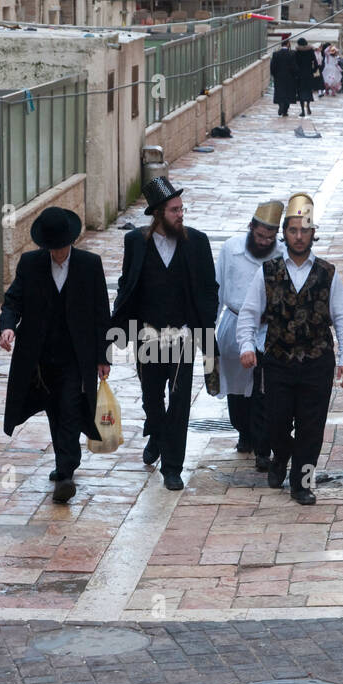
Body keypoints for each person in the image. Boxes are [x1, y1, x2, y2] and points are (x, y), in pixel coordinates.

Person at [236, 193, 343, 505]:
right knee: (275, 420)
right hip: (277, 360)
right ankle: (281, 455)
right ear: (284, 233)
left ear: (313, 233)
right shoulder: (268, 272)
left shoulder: (328, 273)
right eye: (292, 230)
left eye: (304, 230)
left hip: (317, 361)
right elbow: (249, 312)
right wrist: (247, 345)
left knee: (311, 426)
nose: (299, 236)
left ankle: (302, 484)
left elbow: (342, 317)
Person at [111, 177, 218, 490]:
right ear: (158, 213)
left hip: (182, 336)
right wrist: (117, 328)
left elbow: (210, 288)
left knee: (180, 398)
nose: (180, 214)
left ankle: (173, 467)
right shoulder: (135, 242)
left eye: (182, 209)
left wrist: (205, 324)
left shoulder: (197, 242)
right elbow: (126, 283)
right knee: (151, 397)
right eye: (174, 210)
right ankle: (156, 432)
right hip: (147, 335)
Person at [0, 207, 112, 504]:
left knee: (70, 406)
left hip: (77, 356)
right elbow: (13, 301)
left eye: (62, 247)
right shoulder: (30, 264)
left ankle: (65, 472)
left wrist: (103, 356)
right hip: (40, 358)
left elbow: (102, 313)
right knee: (54, 408)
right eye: (53, 248)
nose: (58, 253)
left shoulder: (89, 264)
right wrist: (7, 327)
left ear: (71, 242)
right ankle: (65, 460)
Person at [215, 201, 285, 471]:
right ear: (251, 228)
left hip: (267, 330)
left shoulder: (281, 253)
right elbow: (218, 290)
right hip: (233, 324)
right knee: (236, 386)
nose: (265, 241)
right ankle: (243, 430)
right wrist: (208, 332)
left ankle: (261, 444)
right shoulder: (231, 249)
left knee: (262, 387)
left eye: (270, 237)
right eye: (260, 236)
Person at [269, 38, 297, 117]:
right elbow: (294, 66)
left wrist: (274, 75)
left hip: (279, 77)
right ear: (288, 44)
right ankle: (285, 110)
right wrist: (295, 75)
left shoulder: (276, 54)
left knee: (279, 92)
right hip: (289, 77)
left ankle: (280, 105)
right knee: (288, 93)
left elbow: (272, 66)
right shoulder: (292, 54)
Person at [293, 38, 317, 116]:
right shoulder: (311, 51)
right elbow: (315, 62)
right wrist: (313, 71)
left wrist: (296, 73)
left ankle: (303, 110)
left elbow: (294, 64)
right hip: (309, 74)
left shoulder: (297, 52)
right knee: (308, 91)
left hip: (300, 75)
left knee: (301, 93)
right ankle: (308, 106)